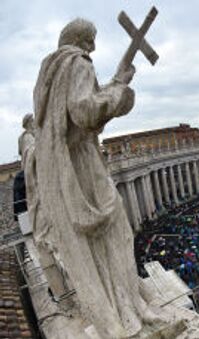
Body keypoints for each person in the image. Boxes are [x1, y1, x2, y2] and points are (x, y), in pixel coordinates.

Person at [32, 18, 163, 338]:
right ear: (78, 39)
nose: (93, 47)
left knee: (100, 244)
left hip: (65, 168)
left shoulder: (47, 74)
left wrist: (114, 82)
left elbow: (76, 114)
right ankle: (129, 311)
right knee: (117, 234)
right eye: (90, 40)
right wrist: (119, 88)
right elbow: (85, 112)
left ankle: (122, 309)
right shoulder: (76, 62)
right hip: (83, 164)